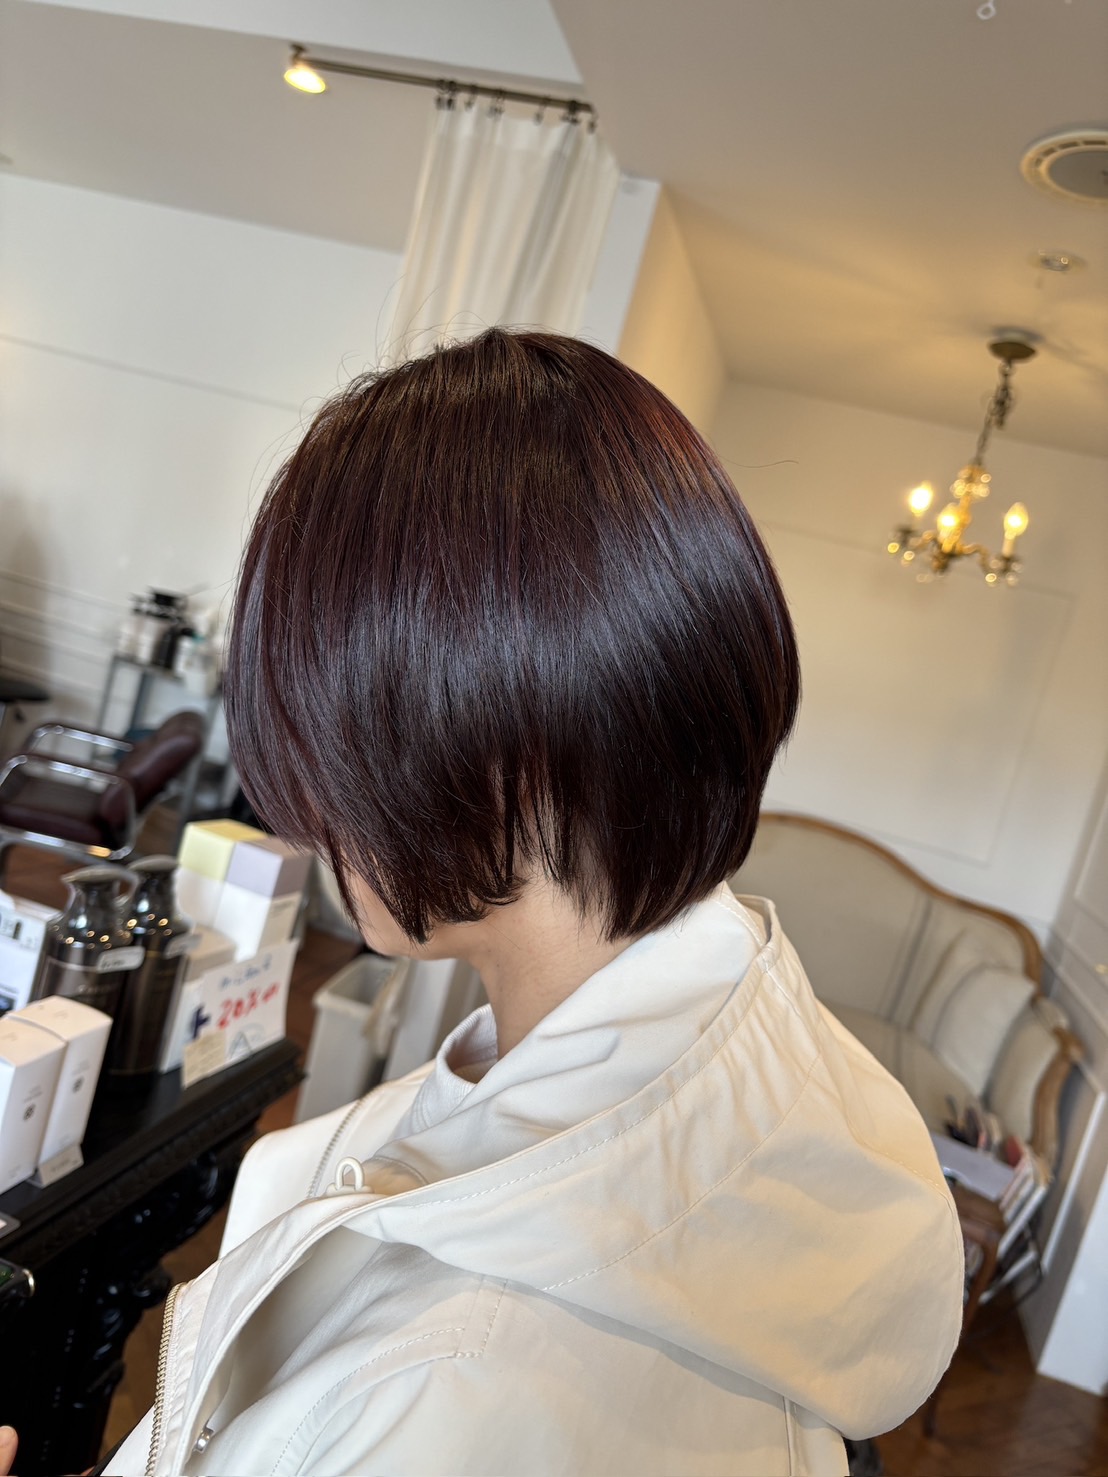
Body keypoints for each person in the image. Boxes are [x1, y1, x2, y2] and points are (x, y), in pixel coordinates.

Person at [103, 329, 961, 1475]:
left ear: (495, 736)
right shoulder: (787, 1083)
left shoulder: (453, 1386)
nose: (305, 819)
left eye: (325, 738)